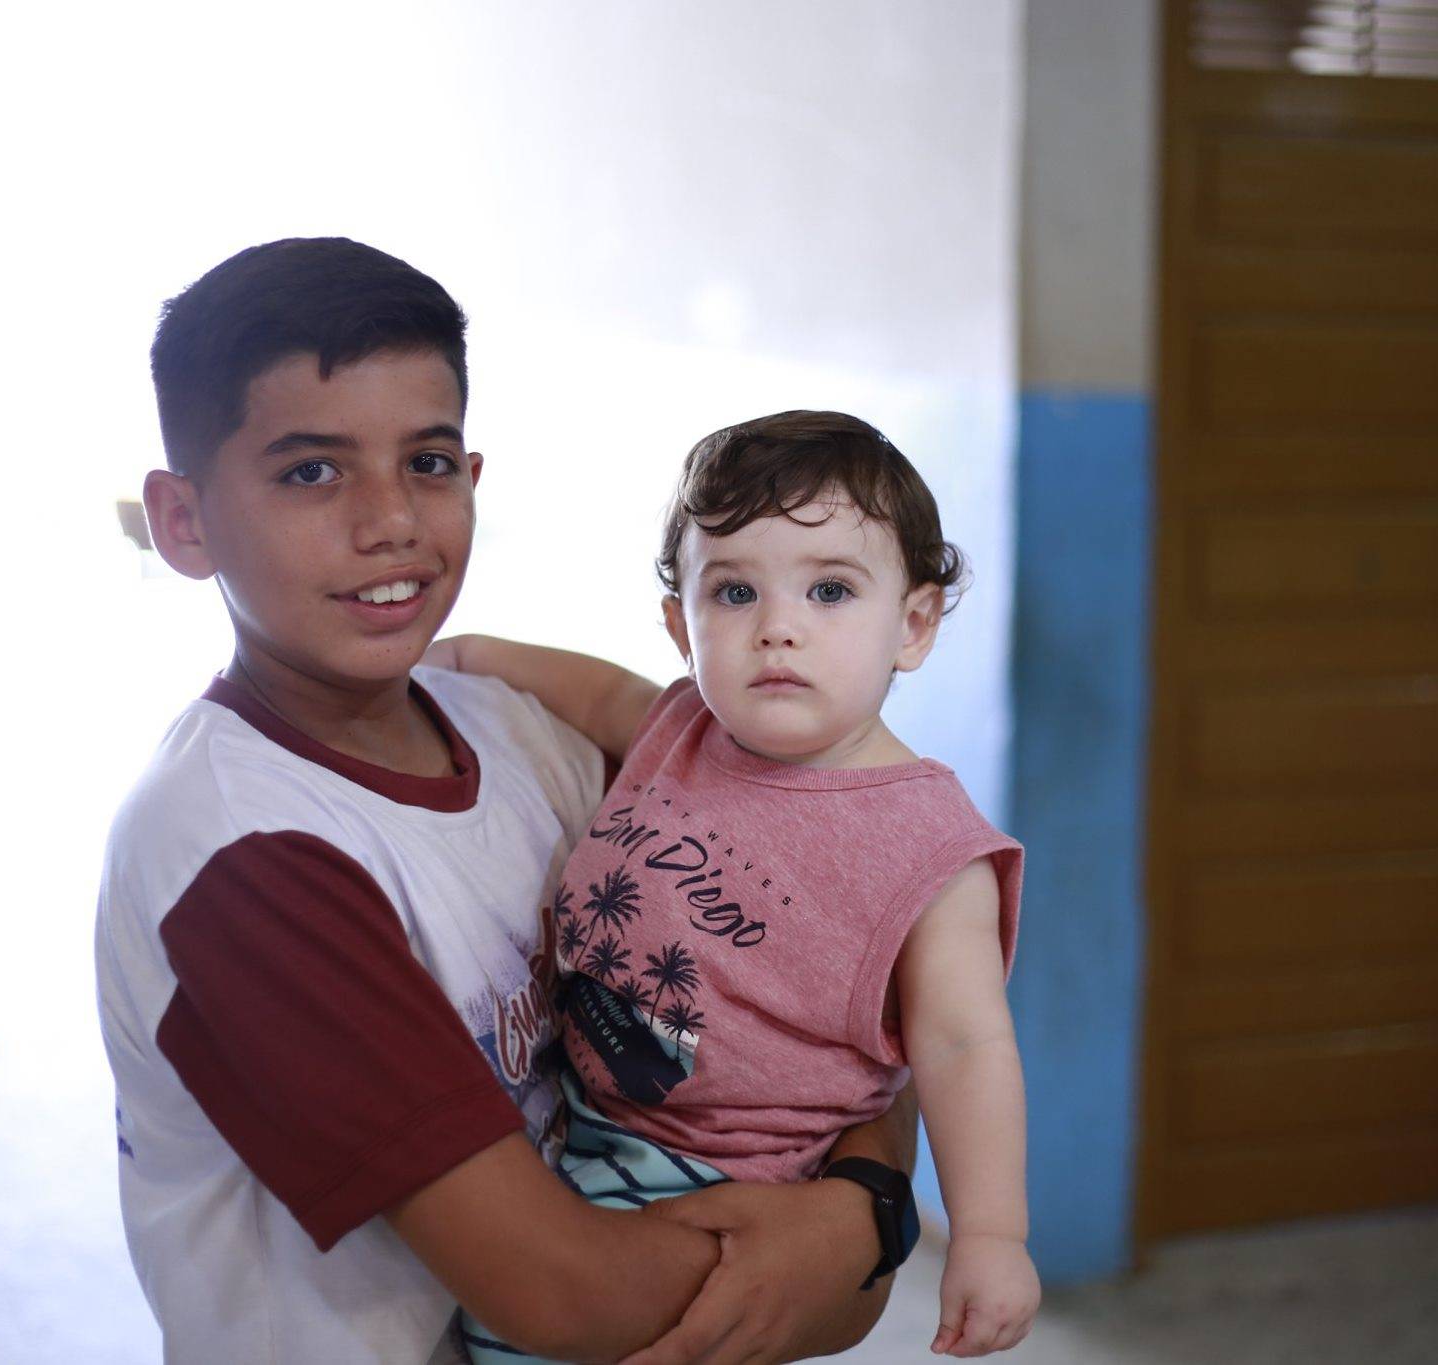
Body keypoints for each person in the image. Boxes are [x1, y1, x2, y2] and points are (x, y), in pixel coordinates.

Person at [95, 238, 915, 1365]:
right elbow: (564, 1295)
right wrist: (838, 1245)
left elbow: (850, 1003)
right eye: (312, 472)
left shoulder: (530, 736)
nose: (391, 520)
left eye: (427, 462)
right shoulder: (239, 855)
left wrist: (861, 1208)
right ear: (183, 521)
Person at [434, 410, 1039, 1360]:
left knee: (531, 1332)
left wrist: (991, 1236)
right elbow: (592, 691)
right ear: (682, 625)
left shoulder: (933, 848)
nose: (777, 628)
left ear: (914, 624)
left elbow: (964, 1046)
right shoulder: (681, 729)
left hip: (726, 1180)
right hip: (576, 1116)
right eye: (735, 591)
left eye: (830, 590)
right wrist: (452, 659)